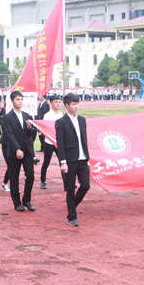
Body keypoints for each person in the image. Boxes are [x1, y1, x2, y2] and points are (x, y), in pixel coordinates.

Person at [56, 93, 90, 227]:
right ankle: (72, 216)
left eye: (77, 104)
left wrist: (87, 157)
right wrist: (63, 162)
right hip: (70, 160)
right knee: (70, 188)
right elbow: (60, 143)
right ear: (67, 105)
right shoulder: (61, 122)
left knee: (86, 186)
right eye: (74, 104)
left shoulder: (82, 120)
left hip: (83, 159)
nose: (76, 107)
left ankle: (72, 205)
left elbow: (84, 139)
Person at [2, 91, 37, 212]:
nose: (20, 102)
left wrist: (29, 128)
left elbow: (31, 135)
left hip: (27, 151)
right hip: (13, 151)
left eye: (21, 99)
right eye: (17, 99)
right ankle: (16, 202)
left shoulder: (27, 116)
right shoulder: (6, 117)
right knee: (14, 177)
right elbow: (9, 134)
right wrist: (17, 148)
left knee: (31, 175)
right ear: (12, 101)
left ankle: (26, 200)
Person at [40, 95, 65, 190]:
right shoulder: (47, 115)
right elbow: (45, 129)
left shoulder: (61, 115)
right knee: (46, 162)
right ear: (51, 103)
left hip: (59, 143)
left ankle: (67, 183)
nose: (58, 104)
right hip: (49, 143)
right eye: (56, 102)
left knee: (63, 162)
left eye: (59, 102)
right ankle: (43, 181)